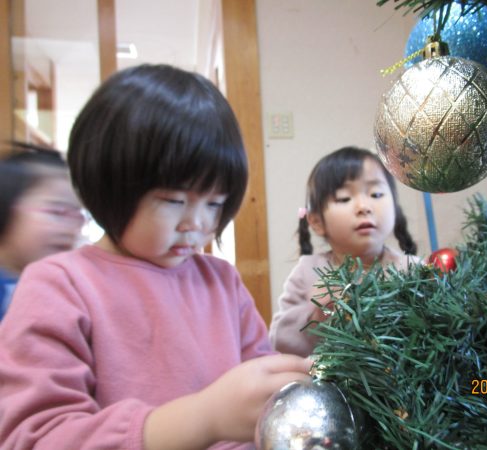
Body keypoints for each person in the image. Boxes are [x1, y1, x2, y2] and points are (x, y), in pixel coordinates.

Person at [0, 64, 311, 450]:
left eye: (214, 203)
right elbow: (33, 436)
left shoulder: (221, 281)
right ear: (108, 184)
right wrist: (204, 418)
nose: (196, 223)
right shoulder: (58, 285)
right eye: (173, 201)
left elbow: (261, 393)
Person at [269, 146, 421, 357]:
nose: (364, 206)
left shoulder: (414, 269)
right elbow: (279, 339)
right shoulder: (308, 271)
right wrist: (317, 316)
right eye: (344, 198)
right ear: (317, 222)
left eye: (376, 194)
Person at [0, 142, 84, 321]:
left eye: (77, 214)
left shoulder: (63, 288)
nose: (70, 228)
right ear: (5, 209)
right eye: (58, 211)